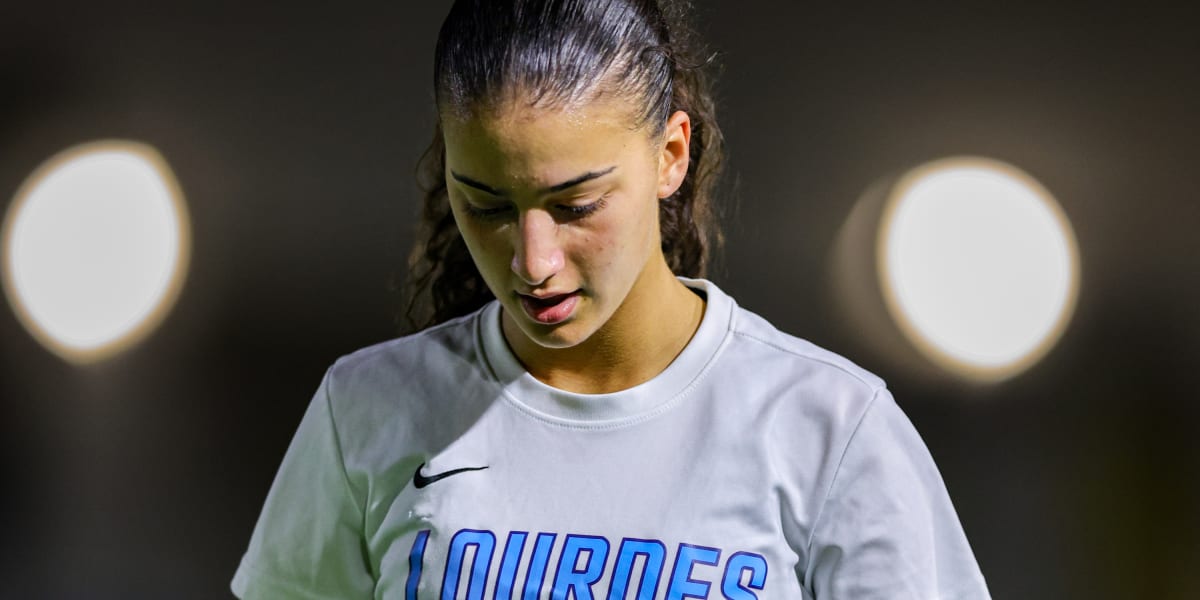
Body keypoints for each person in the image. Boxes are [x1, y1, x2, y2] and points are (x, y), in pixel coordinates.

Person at [232, 1, 992, 598]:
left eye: (576, 205)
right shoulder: (365, 410)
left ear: (671, 155)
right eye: (488, 206)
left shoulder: (832, 430)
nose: (533, 262)